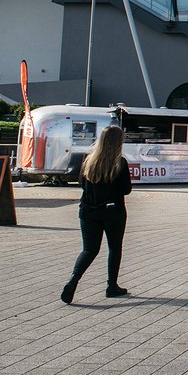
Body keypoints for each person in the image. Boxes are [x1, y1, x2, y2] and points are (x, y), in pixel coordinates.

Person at [60, 125, 132, 303]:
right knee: (114, 248)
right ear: (118, 142)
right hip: (112, 212)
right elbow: (126, 190)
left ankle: (73, 280)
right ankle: (111, 285)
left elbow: (82, 185)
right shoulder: (119, 163)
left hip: (88, 211)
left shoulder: (88, 160)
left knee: (89, 249)